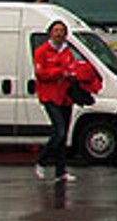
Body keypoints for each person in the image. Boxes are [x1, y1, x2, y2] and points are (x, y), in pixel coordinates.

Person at [31, 19, 84, 182]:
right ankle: (41, 161)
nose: (59, 34)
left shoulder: (67, 52)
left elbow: (73, 68)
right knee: (59, 131)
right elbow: (41, 73)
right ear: (50, 33)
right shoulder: (42, 51)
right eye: (56, 30)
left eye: (62, 31)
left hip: (65, 97)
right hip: (49, 96)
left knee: (63, 135)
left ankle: (60, 171)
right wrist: (59, 72)